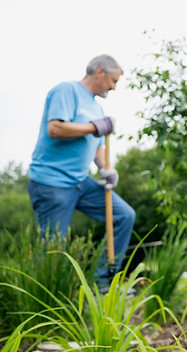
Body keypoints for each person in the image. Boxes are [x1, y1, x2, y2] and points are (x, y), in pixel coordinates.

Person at [27, 54, 135, 291]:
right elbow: (55, 128)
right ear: (100, 71)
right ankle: (48, 303)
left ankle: (102, 283)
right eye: (113, 80)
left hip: (80, 182)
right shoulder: (66, 91)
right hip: (52, 182)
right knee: (52, 249)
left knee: (124, 216)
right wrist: (95, 126)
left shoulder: (96, 106)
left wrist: (106, 169)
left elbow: (96, 145)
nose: (114, 87)